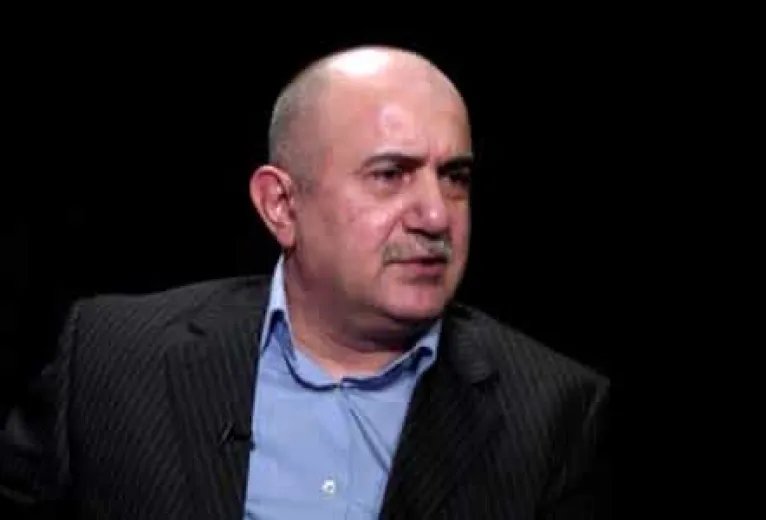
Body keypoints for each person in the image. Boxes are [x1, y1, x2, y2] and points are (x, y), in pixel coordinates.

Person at [0, 45, 610, 519]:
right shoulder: (110, 357)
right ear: (281, 206)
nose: (434, 216)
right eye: (390, 174)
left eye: (455, 177)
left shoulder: (556, 414)